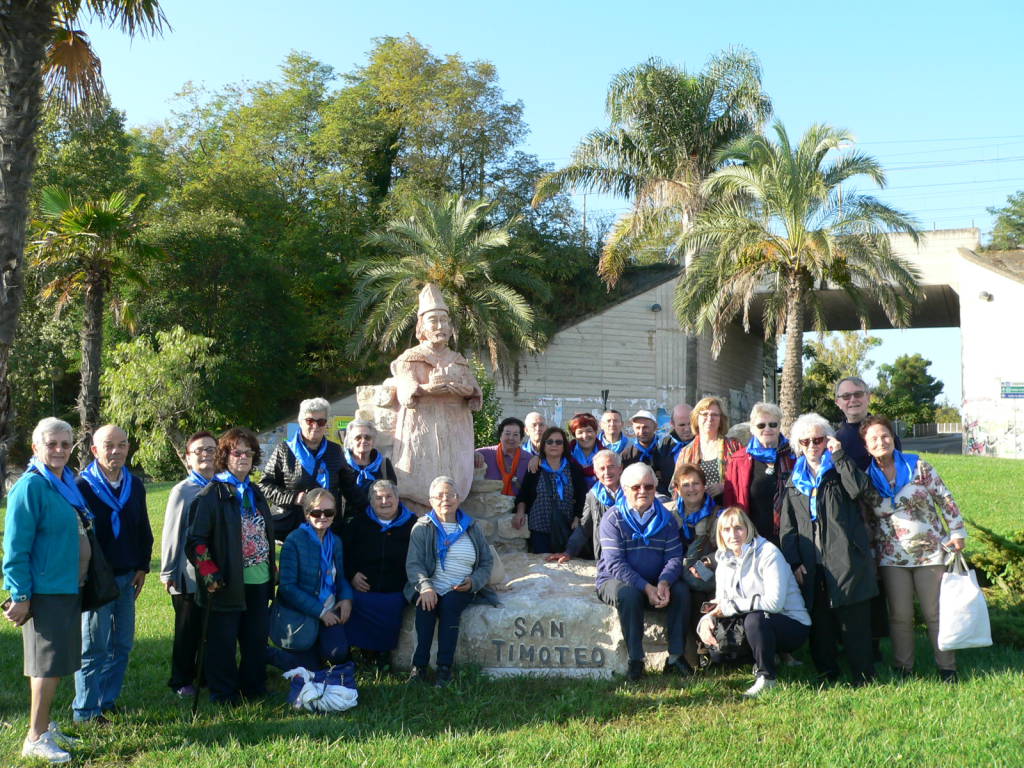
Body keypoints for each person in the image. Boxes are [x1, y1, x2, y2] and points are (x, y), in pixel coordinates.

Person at [4, 418, 89, 763]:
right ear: (36, 447)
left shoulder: (64, 482)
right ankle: (35, 738)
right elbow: (15, 547)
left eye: (65, 444)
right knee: (45, 668)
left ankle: (45, 724)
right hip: (45, 592)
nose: (59, 450)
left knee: (58, 664)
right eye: (52, 444)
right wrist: (20, 596)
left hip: (68, 587)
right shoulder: (30, 487)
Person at [861, 415, 966, 682]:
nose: (880, 441)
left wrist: (957, 531)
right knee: (900, 615)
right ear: (866, 446)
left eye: (884, 435)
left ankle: (947, 668)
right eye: (873, 438)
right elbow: (867, 520)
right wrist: (871, 555)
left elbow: (945, 498)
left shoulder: (918, 467)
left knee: (934, 612)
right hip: (892, 556)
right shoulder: (867, 479)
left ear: (893, 438)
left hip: (930, 551)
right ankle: (904, 668)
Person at [779, 413, 877, 685]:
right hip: (811, 560)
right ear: (798, 444)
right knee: (819, 618)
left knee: (853, 617)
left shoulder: (838, 469)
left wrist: (840, 456)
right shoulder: (793, 479)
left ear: (827, 441)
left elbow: (860, 490)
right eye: (806, 440)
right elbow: (787, 527)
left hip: (845, 555)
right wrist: (794, 561)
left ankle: (863, 675)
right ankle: (827, 671)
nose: (812, 445)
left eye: (818, 439)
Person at [187, 427, 276, 704]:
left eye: (249, 453)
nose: (244, 457)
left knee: (255, 638)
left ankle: (253, 687)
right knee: (222, 642)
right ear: (225, 456)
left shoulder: (255, 492)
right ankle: (223, 692)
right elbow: (196, 541)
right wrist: (209, 573)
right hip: (225, 582)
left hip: (259, 580)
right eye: (237, 452)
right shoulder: (211, 495)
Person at [74, 424, 153, 724]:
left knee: (121, 644)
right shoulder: (82, 487)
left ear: (128, 448)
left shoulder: (135, 485)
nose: (115, 451)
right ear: (94, 450)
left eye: (121, 445)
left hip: (128, 575)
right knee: (94, 646)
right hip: (96, 578)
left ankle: (106, 701)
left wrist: (143, 566)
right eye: (108, 445)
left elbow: (143, 530)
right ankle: (85, 710)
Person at [697, 507, 810, 697]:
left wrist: (731, 607)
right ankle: (767, 657)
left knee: (755, 620)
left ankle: (767, 677)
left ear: (748, 528)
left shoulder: (768, 552)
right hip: (756, 618)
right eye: (726, 530)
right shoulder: (723, 559)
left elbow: (775, 603)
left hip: (792, 623)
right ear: (720, 534)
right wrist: (707, 618)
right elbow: (723, 600)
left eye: (738, 528)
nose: (733, 535)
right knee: (718, 648)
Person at [596, 462, 693, 681]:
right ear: (624, 489)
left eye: (649, 487)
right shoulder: (613, 518)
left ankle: (676, 657)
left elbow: (674, 557)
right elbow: (615, 564)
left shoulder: (666, 519)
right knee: (629, 595)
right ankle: (636, 660)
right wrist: (646, 587)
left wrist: (665, 582)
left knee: (682, 591)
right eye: (636, 487)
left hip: (656, 579)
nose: (643, 491)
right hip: (615, 580)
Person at [390, 284, 482, 508]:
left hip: (454, 428)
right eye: (433, 320)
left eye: (444, 320)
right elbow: (405, 389)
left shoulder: (458, 360)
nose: (440, 325)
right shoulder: (410, 358)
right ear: (422, 326)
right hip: (423, 427)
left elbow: (475, 392)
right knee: (421, 471)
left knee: (453, 474)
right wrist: (426, 389)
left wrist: (467, 391)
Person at [406, 476, 495, 687]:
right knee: (425, 608)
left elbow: (486, 562)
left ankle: (444, 668)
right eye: (439, 496)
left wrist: (474, 582)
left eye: (450, 495)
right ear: (431, 500)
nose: (445, 499)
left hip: (461, 587)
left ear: (458, 499)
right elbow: (414, 564)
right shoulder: (422, 527)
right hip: (431, 585)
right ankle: (419, 667)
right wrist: (426, 587)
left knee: (450, 605)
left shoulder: (471, 527)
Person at [160, 430, 217, 698]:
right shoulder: (182, 491)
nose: (205, 455)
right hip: (188, 575)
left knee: (209, 627)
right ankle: (181, 679)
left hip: (214, 573)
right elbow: (172, 532)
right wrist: (168, 571)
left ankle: (204, 674)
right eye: (199, 451)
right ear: (187, 458)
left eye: (210, 450)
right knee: (188, 630)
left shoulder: (221, 485)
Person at [270, 489, 353, 671]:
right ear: (307, 514)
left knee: (338, 653)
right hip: (301, 613)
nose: (323, 516)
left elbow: (341, 577)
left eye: (328, 512)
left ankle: (315, 650)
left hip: (329, 607)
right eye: (316, 512)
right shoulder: (294, 541)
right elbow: (287, 588)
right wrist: (321, 612)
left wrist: (346, 597)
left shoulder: (335, 542)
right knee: (307, 668)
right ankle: (268, 654)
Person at [342, 479, 415, 672]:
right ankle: (361, 652)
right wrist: (352, 575)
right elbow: (343, 554)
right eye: (378, 497)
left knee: (391, 606)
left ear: (397, 498)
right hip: (362, 589)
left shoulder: (413, 524)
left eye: (389, 496)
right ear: (371, 501)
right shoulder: (358, 523)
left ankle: (381, 655)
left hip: (396, 588)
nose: (384, 501)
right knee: (354, 602)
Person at [259, 398, 345, 540]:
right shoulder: (284, 450)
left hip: (327, 529)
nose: (315, 426)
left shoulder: (335, 451)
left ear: (326, 425)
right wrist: (293, 497)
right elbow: (264, 486)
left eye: (321, 421)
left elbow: (350, 488)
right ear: (300, 422)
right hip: (293, 529)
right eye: (310, 421)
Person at [723, 402, 795, 545]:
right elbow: (730, 502)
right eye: (761, 425)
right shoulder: (738, 460)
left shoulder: (794, 456)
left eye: (772, 424)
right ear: (752, 429)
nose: (767, 429)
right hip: (752, 540)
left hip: (790, 538)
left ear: (779, 426)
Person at [513, 426, 588, 554]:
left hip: (566, 526)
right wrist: (520, 512)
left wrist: (577, 517)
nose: (554, 445)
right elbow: (523, 494)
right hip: (539, 527)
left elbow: (582, 496)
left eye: (559, 442)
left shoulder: (573, 469)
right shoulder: (535, 468)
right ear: (544, 445)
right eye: (550, 441)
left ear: (564, 446)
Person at [548, 449, 625, 563]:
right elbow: (584, 528)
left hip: (631, 554)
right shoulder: (592, 496)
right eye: (602, 468)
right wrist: (569, 552)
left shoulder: (633, 490)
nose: (607, 472)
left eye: (611, 466)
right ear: (595, 472)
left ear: (620, 468)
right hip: (605, 556)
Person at [678, 396, 742, 501]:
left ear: (721, 419)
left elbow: (745, 480)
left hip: (727, 510)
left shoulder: (734, 447)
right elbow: (675, 486)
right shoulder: (686, 452)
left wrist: (724, 486)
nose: (709, 418)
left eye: (714, 415)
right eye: (705, 414)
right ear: (696, 418)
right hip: (696, 513)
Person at [833, 376, 901, 471]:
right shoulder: (835, 441)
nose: (852, 400)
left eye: (858, 394)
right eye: (846, 396)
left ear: (868, 397)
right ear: (838, 402)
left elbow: (901, 465)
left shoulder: (885, 431)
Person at [337, 420, 397, 521]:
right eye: (358, 437)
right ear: (351, 441)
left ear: (373, 441)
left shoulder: (384, 464)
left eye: (367, 437)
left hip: (377, 523)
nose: (363, 441)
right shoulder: (340, 463)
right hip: (345, 524)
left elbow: (393, 494)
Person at [669, 463, 720, 568]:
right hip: (672, 572)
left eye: (696, 483)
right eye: (686, 485)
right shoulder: (668, 513)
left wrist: (708, 561)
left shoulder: (720, 517)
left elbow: (732, 551)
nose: (691, 489)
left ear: (703, 486)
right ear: (677, 490)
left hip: (703, 574)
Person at [474, 417, 529, 497]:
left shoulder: (528, 459)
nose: (511, 438)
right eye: (507, 433)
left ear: (521, 439)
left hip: (519, 506)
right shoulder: (484, 454)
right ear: (500, 436)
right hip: (489, 505)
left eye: (515, 435)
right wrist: (474, 454)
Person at [654, 403, 694, 494]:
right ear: (672, 424)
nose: (687, 429)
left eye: (690, 424)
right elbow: (655, 474)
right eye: (682, 425)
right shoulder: (663, 446)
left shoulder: (704, 443)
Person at [567, 412, 601, 488]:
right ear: (574, 435)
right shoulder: (565, 454)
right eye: (580, 432)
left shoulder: (606, 455)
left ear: (595, 432)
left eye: (589, 431)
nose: (585, 436)